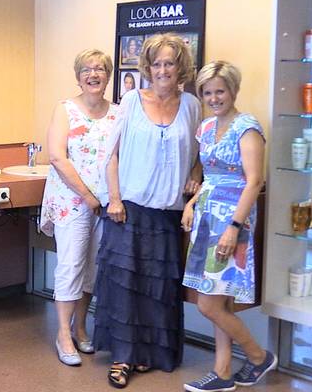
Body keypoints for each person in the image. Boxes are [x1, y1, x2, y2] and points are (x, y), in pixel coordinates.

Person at [94, 33, 202, 388]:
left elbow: (199, 158)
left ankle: (150, 355)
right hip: (128, 209)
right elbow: (112, 155)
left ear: (180, 66)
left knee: (158, 289)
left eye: (169, 63)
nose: (162, 70)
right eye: (156, 63)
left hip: (167, 213)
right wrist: (113, 199)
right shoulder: (130, 101)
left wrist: (194, 178)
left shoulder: (191, 106)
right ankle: (123, 357)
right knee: (124, 287)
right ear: (147, 67)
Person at [181, 61, 275, 392]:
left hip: (232, 221)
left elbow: (254, 181)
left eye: (220, 90)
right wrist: (192, 203)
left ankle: (258, 355)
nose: (214, 97)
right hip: (207, 219)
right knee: (216, 299)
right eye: (208, 92)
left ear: (233, 90)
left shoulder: (247, 127)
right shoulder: (206, 127)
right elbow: (207, 176)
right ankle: (222, 373)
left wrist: (234, 227)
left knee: (209, 303)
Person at [39, 49, 119, 367]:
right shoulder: (66, 109)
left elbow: (118, 157)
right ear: (78, 76)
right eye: (87, 69)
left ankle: (81, 328)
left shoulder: (117, 113)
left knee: (92, 269)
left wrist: (111, 198)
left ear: (108, 76)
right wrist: (87, 195)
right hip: (72, 200)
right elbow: (58, 156)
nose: (94, 74)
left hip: (104, 203)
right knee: (71, 265)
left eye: (100, 69)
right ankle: (62, 333)